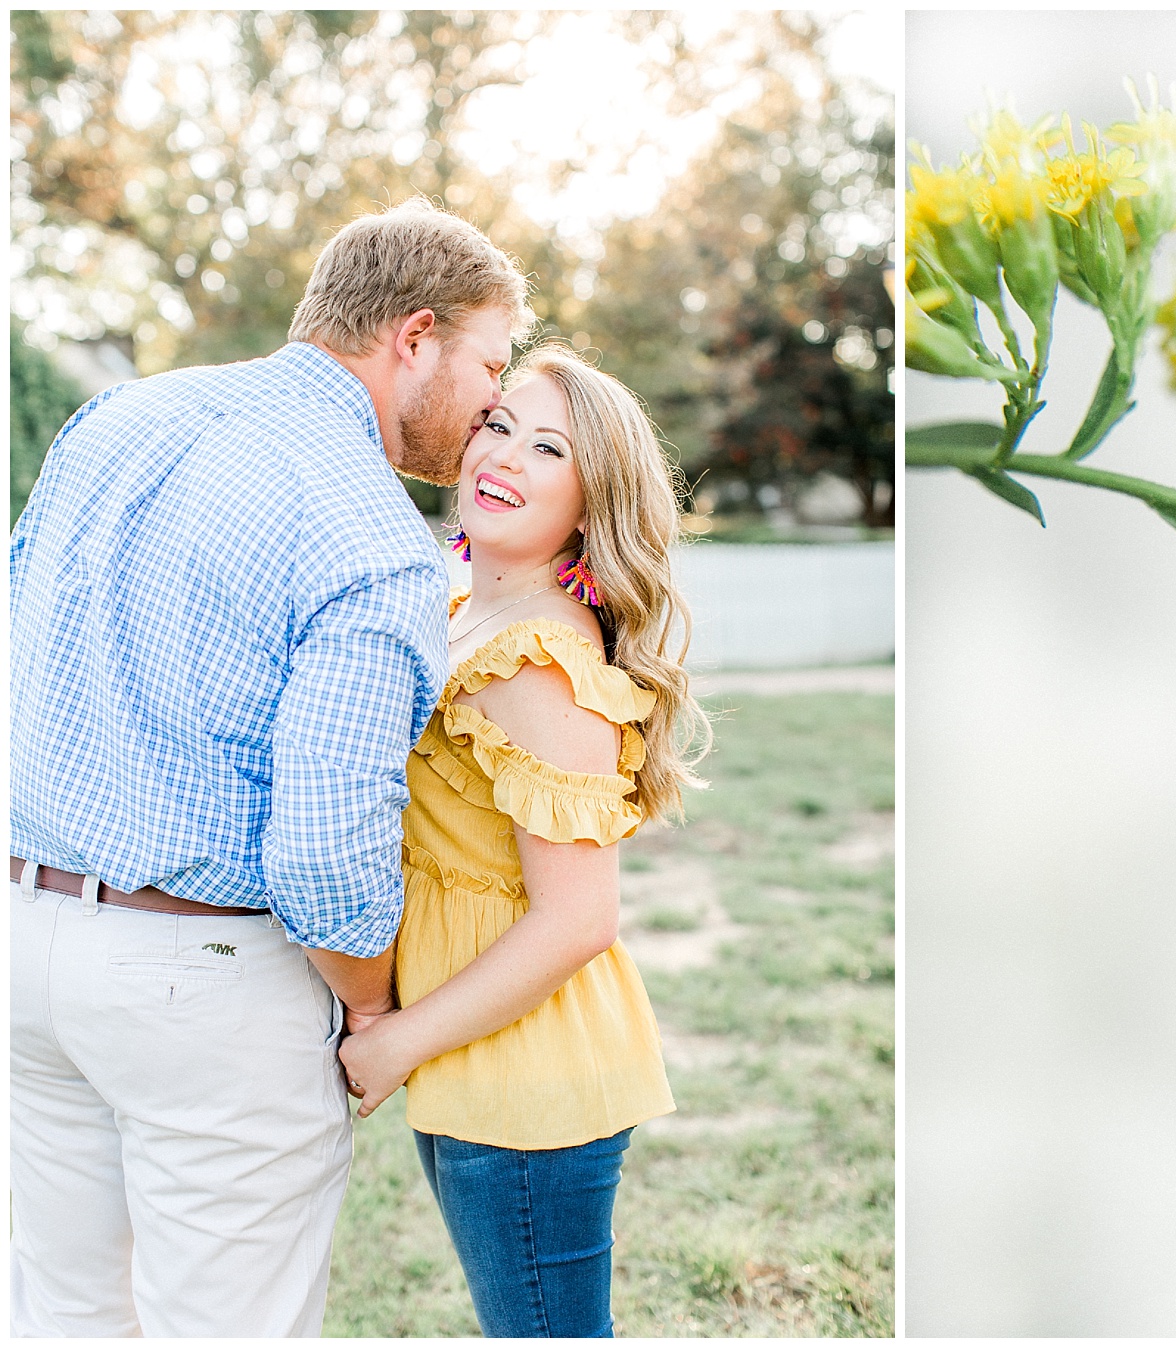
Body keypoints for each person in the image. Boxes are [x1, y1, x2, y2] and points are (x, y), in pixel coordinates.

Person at [9, 198, 534, 1337]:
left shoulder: (112, 422)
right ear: (416, 336)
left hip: (27, 942)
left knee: (60, 1315)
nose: (498, 397)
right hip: (204, 980)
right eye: (493, 362)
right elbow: (325, 844)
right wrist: (371, 1005)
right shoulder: (368, 531)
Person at [336, 342, 708, 1338]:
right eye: (499, 425)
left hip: (527, 1078)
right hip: (475, 1058)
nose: (505, 455)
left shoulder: (539, 659)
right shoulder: (464, 607)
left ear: (590, 503)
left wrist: (397, 1041)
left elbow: (580, 918)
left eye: (550, 448)